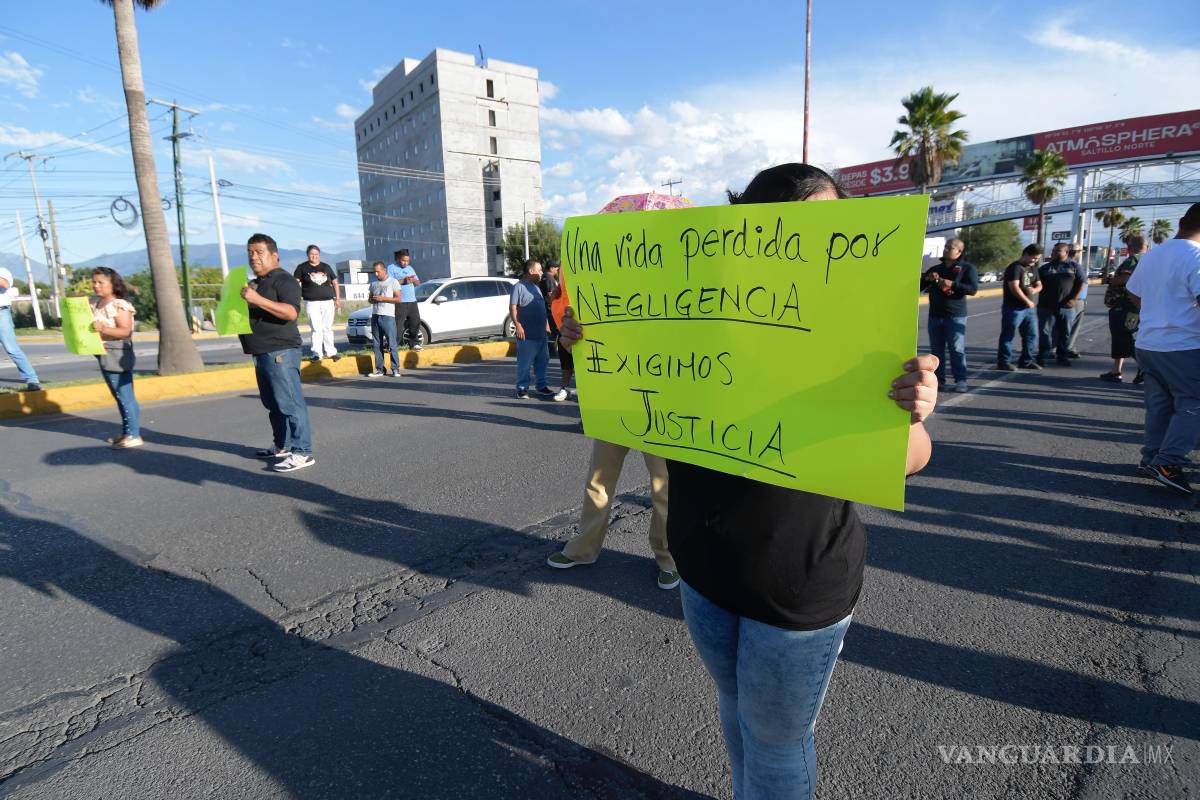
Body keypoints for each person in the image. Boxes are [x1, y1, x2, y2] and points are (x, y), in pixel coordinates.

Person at [559, 163, 938, 800]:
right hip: (704, 569)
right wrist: (592, 344)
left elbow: (912, 457)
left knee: (778, 739)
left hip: (798, 583)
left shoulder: (857, 330)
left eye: (825, 228)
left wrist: (913, 406)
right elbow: (636, 402)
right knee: (735, 709)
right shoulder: (688, 313)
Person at [1126, 203, 1200, 495]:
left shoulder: (1154, 254)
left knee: (1159, 405)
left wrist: (1158, 313)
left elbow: (1132, 291)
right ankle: (1168, 463)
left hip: (1148, 343)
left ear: (1181, 221)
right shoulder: (1196, 256)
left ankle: (1151, 458)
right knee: (1194, 403)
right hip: (1183, 344)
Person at [546, 440, 678, 589]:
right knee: (597, 481)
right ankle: (583, 549)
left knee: (663, 488)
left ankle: (669, 560)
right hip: (613, 419)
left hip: (655, 421)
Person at [239, 233, 314, 473]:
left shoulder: (285, 280)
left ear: (274, 255)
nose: (254, 257)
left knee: (290, 403)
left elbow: (290, 313)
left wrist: (257, 299)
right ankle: (281, 446)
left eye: (259, 252)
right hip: (261, 352)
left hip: (280, 351)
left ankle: (302, 451)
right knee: (273, 404)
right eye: (250, 252)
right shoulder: (256, 284)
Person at [89, 267, 142, 449]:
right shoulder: (97, 303)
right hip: (104, 352)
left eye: (100, 282)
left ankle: (134, 435)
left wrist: (103, 329)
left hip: (117, 352)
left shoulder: (119, 304)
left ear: (113, 284)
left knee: (125, 395)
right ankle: (127, 432)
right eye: (94, 282)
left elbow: (126, 330)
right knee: (118, 395)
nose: (96, 286)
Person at [920, 238, 977, 392]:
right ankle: (939, 381)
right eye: (945, 247)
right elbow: (920, 286)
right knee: (936, 351)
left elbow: (972, 289)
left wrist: (952, 284)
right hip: (935, 316)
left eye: (950, 248)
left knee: (956, 349)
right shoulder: (935, 268)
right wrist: (927, 278)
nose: (946, 250)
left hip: (955, 316)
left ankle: (961, 380)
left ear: (959, 251)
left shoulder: (967, 268)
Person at [1100, 235, 1147, 383]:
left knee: (1124, 337)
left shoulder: (1133, 260)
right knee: (1122, 338)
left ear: (1130, 247)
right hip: (1134, 306)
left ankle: (1145, 368)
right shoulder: (1148, 260)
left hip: (1125, 306)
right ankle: (1116, 371)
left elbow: (1126, 279)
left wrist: (1111, 280)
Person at [996, 244, 1044, 371]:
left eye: (1037, 258)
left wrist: (1034, 290)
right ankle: (1004, 361)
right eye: (1034, 258)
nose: (1035, 260)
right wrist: (1026, 300)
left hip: (1029, 309)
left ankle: (1026, 361)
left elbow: (1039, 285)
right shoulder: (1015, 268)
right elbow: (1014, 287)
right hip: (1013, 308)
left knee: (1031, 335)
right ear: (1026, 254)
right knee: (1008, 334)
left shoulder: (1033, 268)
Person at [510, 258, 552, 399]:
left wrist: (546, 324)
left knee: (542, 362)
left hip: (541, 334)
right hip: (527, 335)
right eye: (539, 270)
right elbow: (513, 307)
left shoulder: (536, 287)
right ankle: (522, 389)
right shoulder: (518, 287)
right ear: (531, 271)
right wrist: (518, 325)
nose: (541, 273)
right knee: (525, 364)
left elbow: (541, 307)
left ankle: (541, 386)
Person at [1037, 242, 1084, 367]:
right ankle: (1042, 356)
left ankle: (1062, 356)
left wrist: (1074, 299)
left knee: (1065, 332)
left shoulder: (1074, 267)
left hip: (1066, 307)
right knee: (1045, 332)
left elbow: (1081, 283)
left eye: (1058, 251)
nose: (1054, 253)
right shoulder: (1045, 268)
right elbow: (1036, 284)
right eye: (1053, 250)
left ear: (1066, 253)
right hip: (1046, 306)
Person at [293, 244, 341, 362]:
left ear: (319, 255)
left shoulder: (326, 267)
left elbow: (335, 283)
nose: (314, 256)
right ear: (308, 255)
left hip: (328, 302)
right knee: (316, 328)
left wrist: (337, 299)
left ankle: (331, 352)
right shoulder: (302, 268)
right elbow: (295, 283)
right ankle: (316, 354)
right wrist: (295, 298)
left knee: (327, 328)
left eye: (316, 254)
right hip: (311, 302)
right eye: (312, 254)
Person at [0, 266, 41, 392]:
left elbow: (5, 284)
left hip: (1, 313)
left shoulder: (3, 271)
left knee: (12, 349)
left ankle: (32, 380)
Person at [366, 260, 402, 378]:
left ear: (384, 270)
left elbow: (398, 299)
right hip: (376, 315)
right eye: (374, 272)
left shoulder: (393, 282)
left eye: (378, 272)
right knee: (377, 343)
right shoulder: (373, 284)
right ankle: (380, 369)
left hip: (388, 316)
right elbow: (370, 299)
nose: (376, 274)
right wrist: (373, 299)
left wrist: (383, 298)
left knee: (391, 343)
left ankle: (395, 368)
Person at [387, 249, 422, 351]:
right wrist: (404, 281)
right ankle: (393, 346)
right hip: (400, 301)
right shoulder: (391, 268)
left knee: (415, 322)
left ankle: (414, 343)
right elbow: (389, 284)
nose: (406, 263)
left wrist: (413, 280)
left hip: (412, 300)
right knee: (398, 325)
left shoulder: (410, 268)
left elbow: (418, 283)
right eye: (403, 261)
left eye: (407, 261)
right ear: (398, 259)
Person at [550, 280, 574, 401]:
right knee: (566, 365)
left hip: (582, 333)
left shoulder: (574, 292)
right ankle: (564, 388)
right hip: (564, 335)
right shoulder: (558, 294)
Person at [1065, 243, 1088, 358]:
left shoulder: (1068, 264)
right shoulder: (1073, 265)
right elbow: (1082, 283)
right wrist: (1075, 298)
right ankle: (1067, 348)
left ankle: (1063, 347)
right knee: (1071, 326)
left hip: (1077, 299)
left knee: (1067, 325)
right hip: (1075, 300)